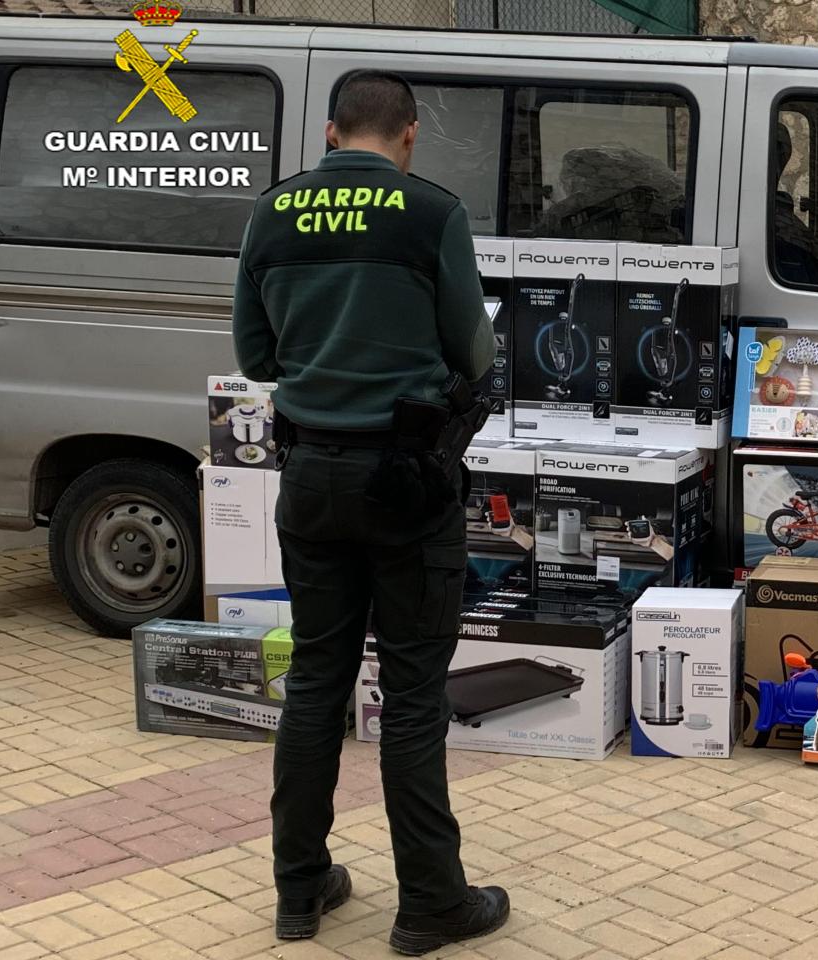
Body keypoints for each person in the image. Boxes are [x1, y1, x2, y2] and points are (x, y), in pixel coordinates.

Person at [232, 70, 507, 954]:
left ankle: (299, 890)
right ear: (411, 133)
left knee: (317, 680)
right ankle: (430, 905)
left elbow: (256, 355)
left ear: (330, 131)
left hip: (310, 475)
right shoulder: (432, 213)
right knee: (414, 696)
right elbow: (474, 351)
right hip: (408, 482)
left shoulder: (272, 213)